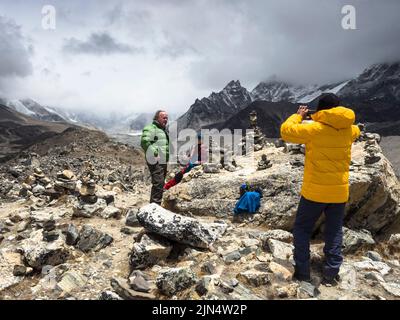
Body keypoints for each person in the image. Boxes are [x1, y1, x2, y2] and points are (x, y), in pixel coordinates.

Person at [280, 93, 360, 285]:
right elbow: (356, 130)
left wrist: (299, 115)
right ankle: (331, 273)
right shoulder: (350, 130)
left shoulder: (314, 129)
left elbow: (286, 131)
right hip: (339, 193)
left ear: (321, 110)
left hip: (314, 192)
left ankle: (303, 271)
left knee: (302, 229)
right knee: (334, 231)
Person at [141, 110, 169, 205]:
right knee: (159, 183)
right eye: (164, 117)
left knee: (160, 184)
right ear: (157, 118)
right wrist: (155, 154)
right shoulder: (151, 128)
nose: (166, 120)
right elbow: (144, 141)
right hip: (155, 160)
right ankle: (154, 208)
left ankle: (155, 207)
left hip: (163, 161)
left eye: (167, 118)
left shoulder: (162, 129)